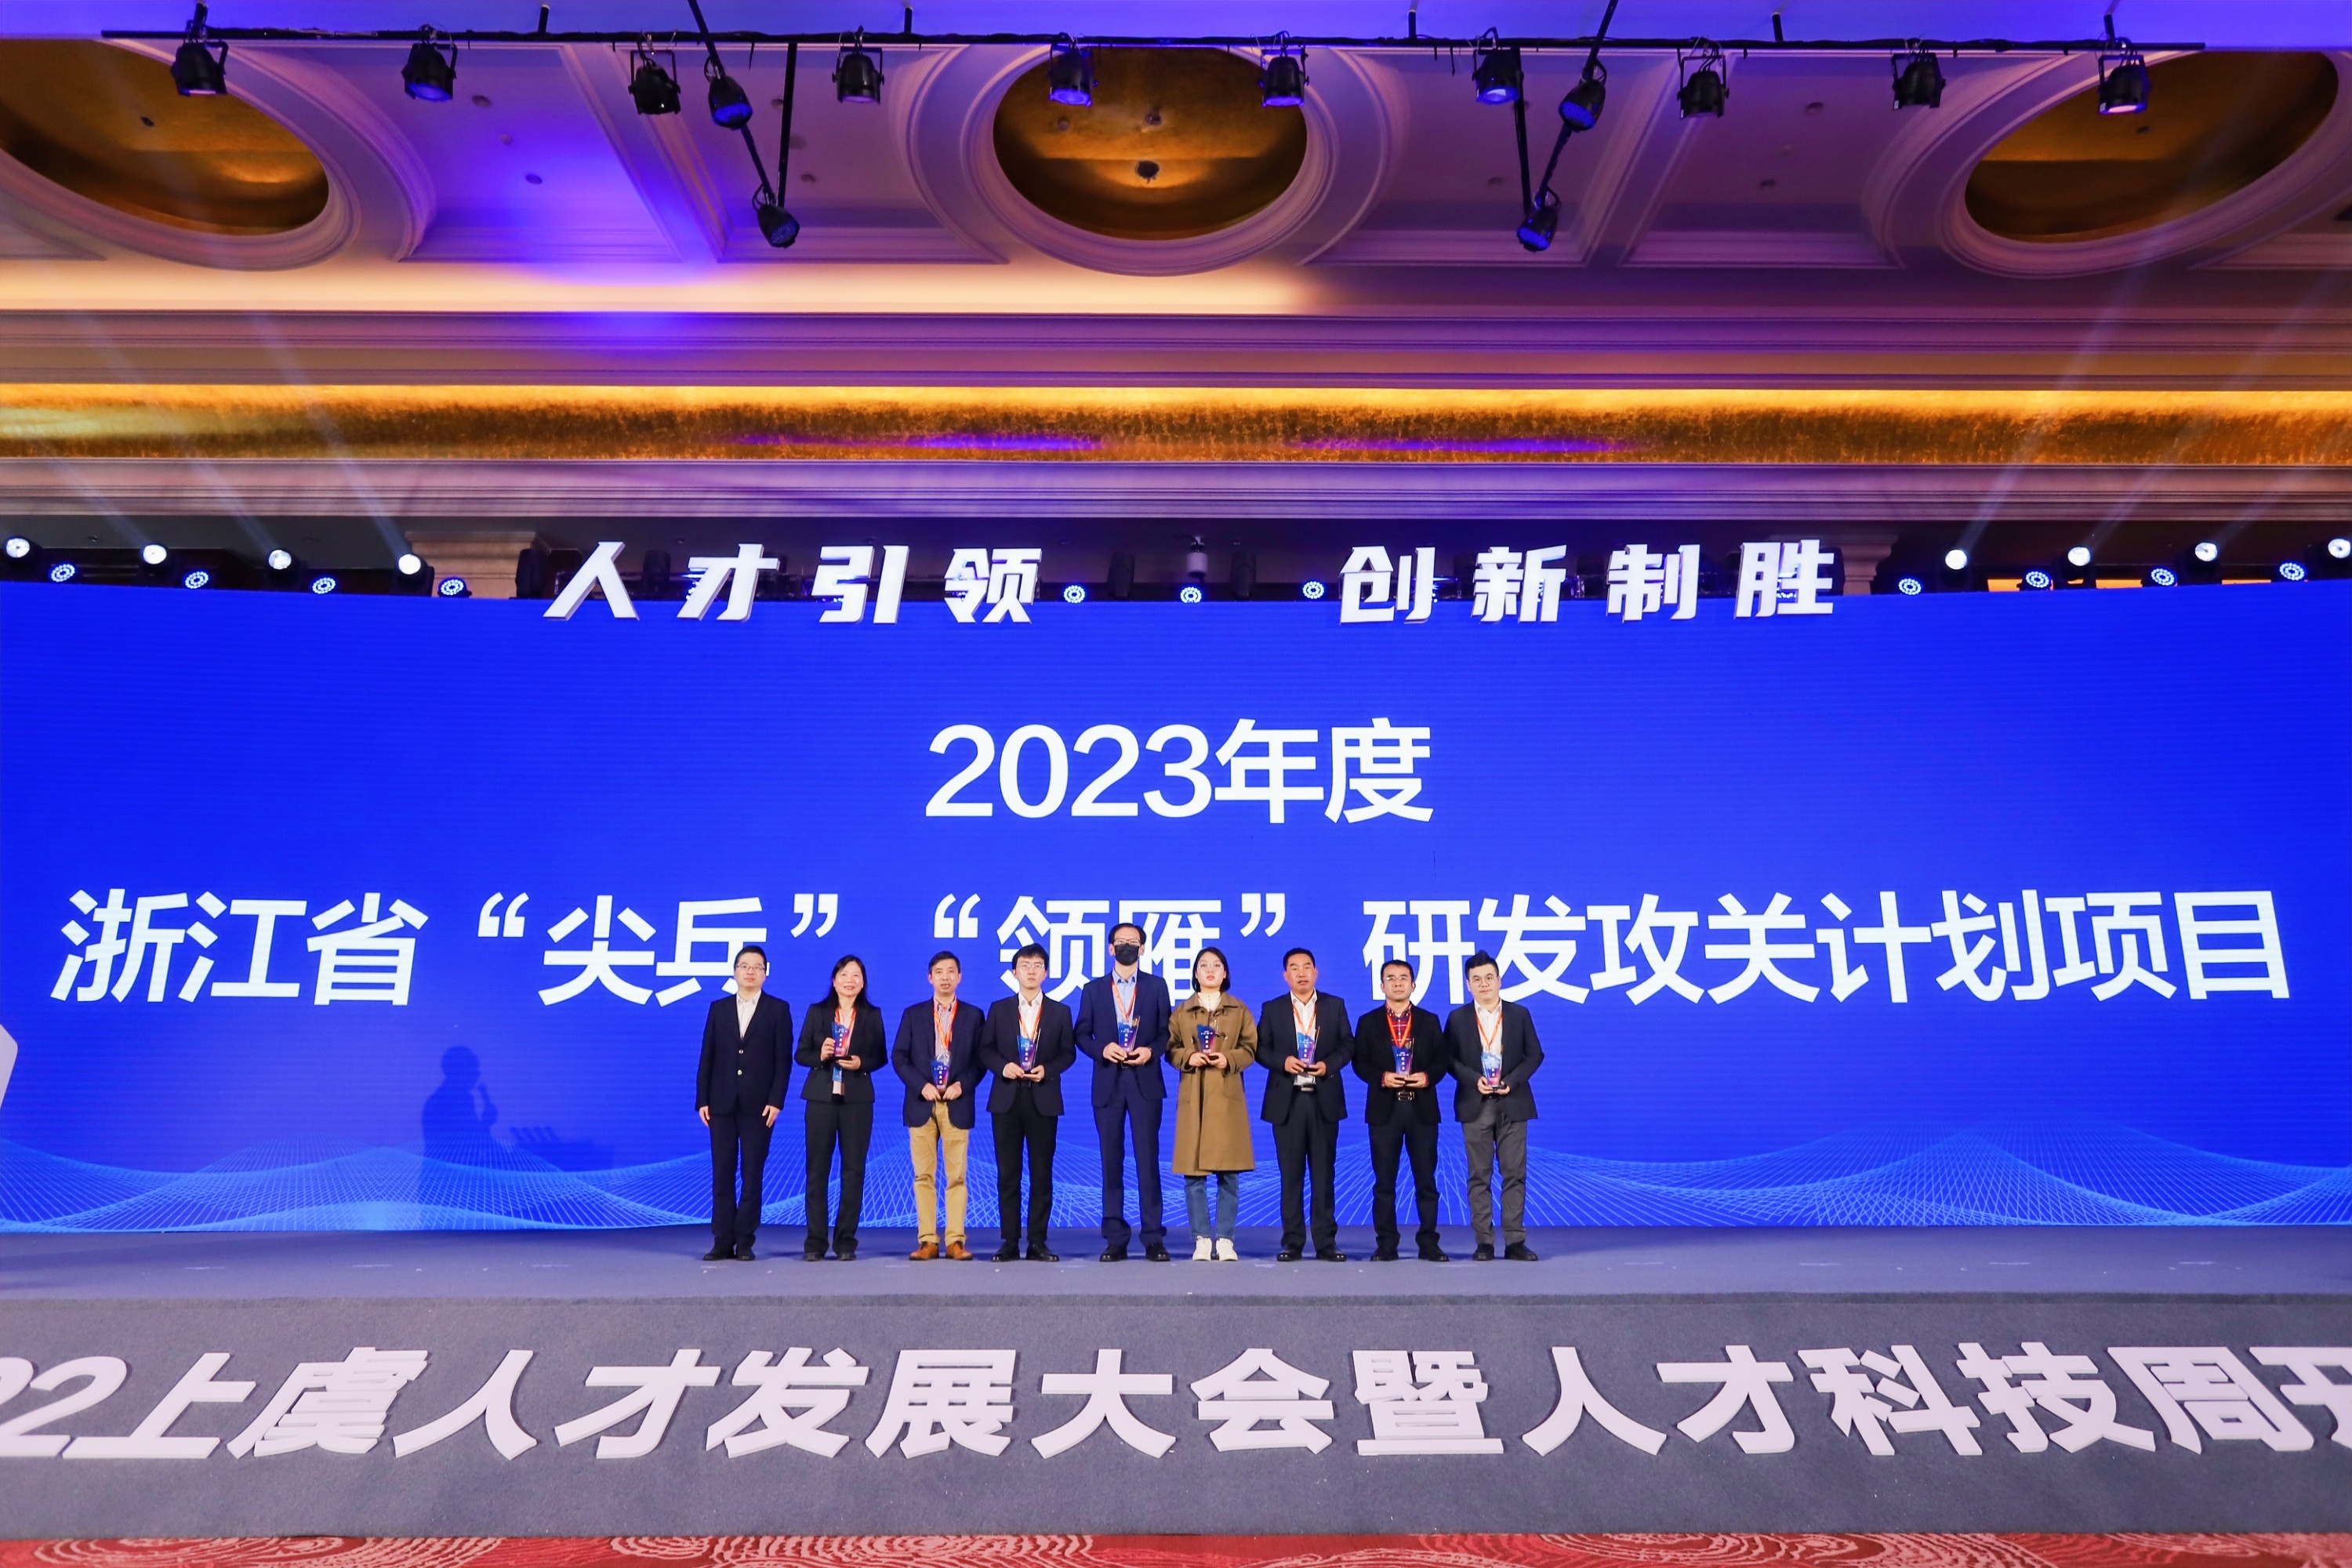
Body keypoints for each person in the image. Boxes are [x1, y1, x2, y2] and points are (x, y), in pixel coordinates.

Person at [1072, 920, 1173, 1261]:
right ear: (1110, 948)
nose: (1127, 946)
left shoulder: (1157, 986)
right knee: (1110, 1162)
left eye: (1133, 941)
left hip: (1145, 1081)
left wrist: (1151, 1051)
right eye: (1121, 941)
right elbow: (1081, 1034)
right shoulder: (1093, 989)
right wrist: (1102, 1049)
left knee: (1148, 1161)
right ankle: (1115, 1237)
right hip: (1108, 1082)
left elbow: (1166, 1033)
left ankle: (1153, 1237)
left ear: (1142, 949)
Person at [1254, 946, 1353, 1261]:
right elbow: (1259, 1049)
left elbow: (1347, 1045)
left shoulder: (1335, 1005)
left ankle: (1326, 1242)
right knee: (1291, 1175)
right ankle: (1292, 1242)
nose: (1301, 973)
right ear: (1286, 975)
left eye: (1307, 967)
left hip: (1324, 1098)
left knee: (1324, 1175)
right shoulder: (1272, 1008)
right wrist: (1283, 1062)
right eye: (1294, 968)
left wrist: (1328, 1065)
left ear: (1316, 972)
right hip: (1288, 1101)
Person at [1444, 949, 1544, 1261]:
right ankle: (1484, 1242)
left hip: (1513, 1102)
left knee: (1514, 1173)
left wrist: (1511, 1081)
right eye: (1477, 979)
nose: (1484, 984)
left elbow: (1535, 1055)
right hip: (1475, 1104)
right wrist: (1474, 1079)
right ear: (1468, 985)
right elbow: (1447, 1059)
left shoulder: (1519, 1014)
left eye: (1489, 977)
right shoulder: (1457, 1018)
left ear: (1499, 980)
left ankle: (1515, 1241)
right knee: (1479, 1176)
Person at [978, 942, 1076, 1261]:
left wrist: (1048, 1069)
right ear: (1014, 972)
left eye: (1037, 966)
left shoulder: (1060, 1012)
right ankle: (1009, 1241)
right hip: (1006, 1099)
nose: (1031, 971)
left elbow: (1068, 1053)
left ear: (1046, 973)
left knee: (1041, 1174)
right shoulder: (999, 1009)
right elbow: (985, 1049)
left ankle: (1037, 1242)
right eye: (1025, 965)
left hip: (1043, 1099)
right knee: (1008, 1174)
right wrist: (1002, 1067)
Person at [695, 946, 793, 1261]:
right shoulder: (718, 1008)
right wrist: (702, 1099)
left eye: (757, 967)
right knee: (722, 1172)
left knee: (752, 1174)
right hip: (721, 1103)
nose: (750, 972)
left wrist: (776, 1100)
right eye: (744, 966)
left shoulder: (778, 1009)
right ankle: (721, 1239)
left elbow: (783, 1061)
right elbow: (707, 1056)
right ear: (735, 971)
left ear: (766, 973)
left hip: (759, 1106)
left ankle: (745, 1240)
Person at [1352, 957, 1450, 1261]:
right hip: (1385, 1109)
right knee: (1384, 1183)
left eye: (1403, 978)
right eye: (1391, 978)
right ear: (1382, 986)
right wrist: (1382, 1077)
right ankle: (1386, 1244)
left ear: (1413, 985)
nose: (1397, 983)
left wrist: (1427, 1076)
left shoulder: (1429, 1020)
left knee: (1426, 1181)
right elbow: (1359, 1062)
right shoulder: (1368, 1022)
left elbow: (1442, 1060)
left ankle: (1429, 1243)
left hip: (1422, 1109)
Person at [891, 950, 985, 1261]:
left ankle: (955, 1240)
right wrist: (922, 1085)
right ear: (929, 978)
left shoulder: (973, 1016)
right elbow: (899, 1057)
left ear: (960, 977)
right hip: (922, 1103)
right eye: (939, 972)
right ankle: (928, 1241)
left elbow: (981, 1060)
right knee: (924, 1176)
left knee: (957, 1176)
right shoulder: (913, 1014)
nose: (945, 977)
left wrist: (962, 1085)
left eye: (951, 972)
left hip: (957, 1103)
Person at [795, 954, 886, 1261]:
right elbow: (801, 1054)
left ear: (863, 983)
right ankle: (815, 1242)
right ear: (834, 981)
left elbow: (881, 1056)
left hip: (857, 1100)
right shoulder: (817, 1012)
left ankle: (846, 1242)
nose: (850, 981)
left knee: (854, 1171)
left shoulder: (872, 1014)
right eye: (844, 975)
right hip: (820, 1098)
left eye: (856, 976)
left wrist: (861, 1063)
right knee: (817, 1171)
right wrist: (820, 1055)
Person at [1168, 946, 1256, 1261]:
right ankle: (1202, 1239)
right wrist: (1187, 1056)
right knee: (1194, 1175)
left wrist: (1228, 1058)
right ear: (1195, 973)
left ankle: (1227, 1239)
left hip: (1226, 1096)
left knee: (1229, 1174)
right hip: (1195, 1096)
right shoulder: (1182, 1011)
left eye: (1216, 965)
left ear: (1225, 973)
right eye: (1203, 965)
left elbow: (1250, 1048)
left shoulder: (1238, 1009)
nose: (1209, 970)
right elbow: (1170, 1048)